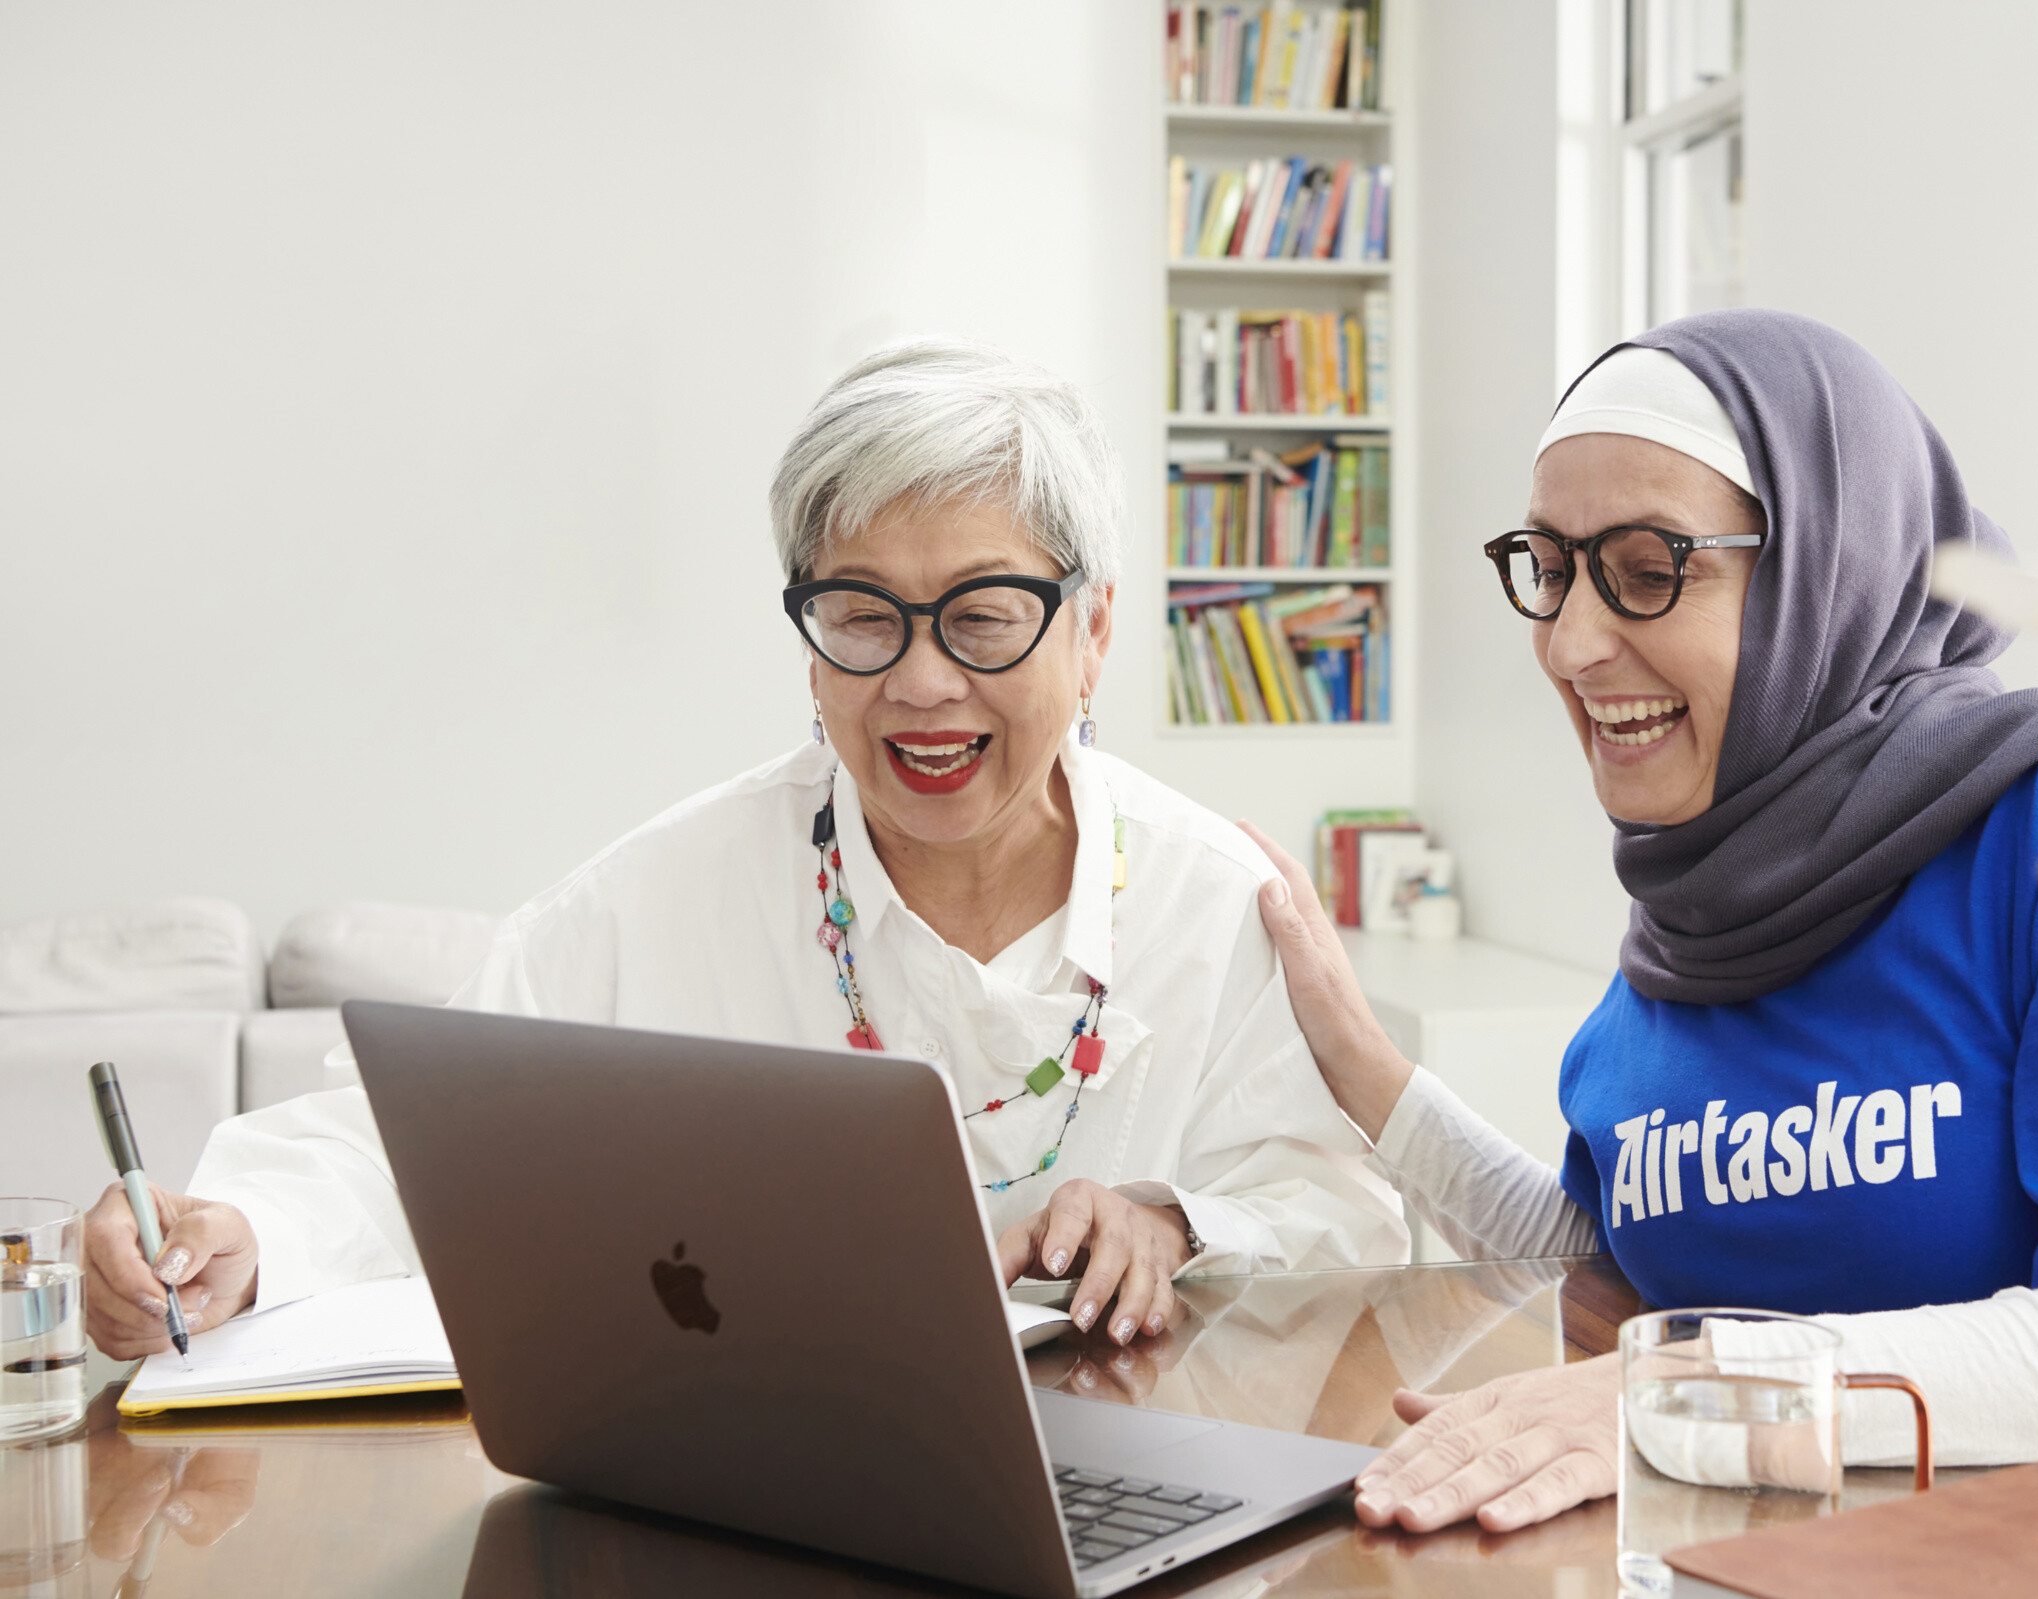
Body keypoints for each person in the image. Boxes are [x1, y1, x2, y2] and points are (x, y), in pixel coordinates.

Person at [1245, 308, 2038, 1532]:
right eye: (1549, 566)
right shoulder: (1685, 936)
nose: (1571, 643)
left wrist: (1677, 1392)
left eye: (1647, 568)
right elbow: (1630, 1252)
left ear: (1826, 566)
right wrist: (1366, 1072)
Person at [83, 339, 1404, 1361]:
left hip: (1150, 1495)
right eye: (860, 614)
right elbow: (423, 1139)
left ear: (1094, 628)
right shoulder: (670, 891)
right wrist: (229, 1240)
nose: (924, 679)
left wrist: (1180, 1222)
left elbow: (1347, 1224)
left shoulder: (1217, 902)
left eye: (985, 617)